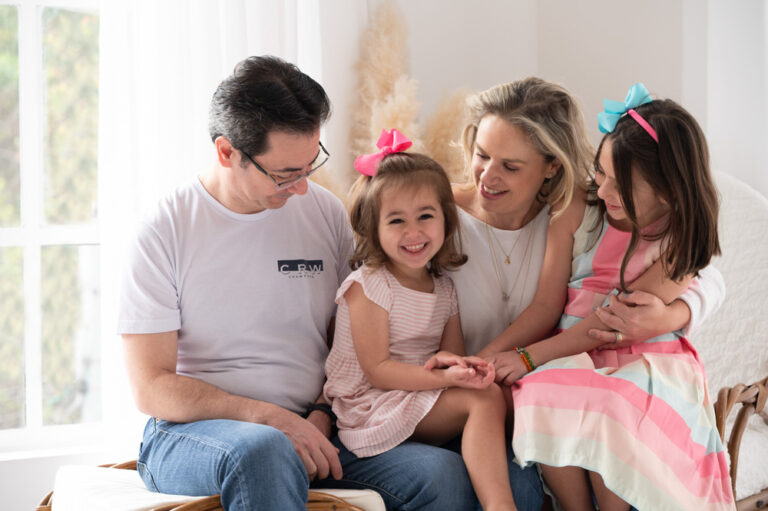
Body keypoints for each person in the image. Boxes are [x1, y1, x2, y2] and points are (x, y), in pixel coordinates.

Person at [118, 55, 537, 511]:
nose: (302, 188)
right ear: (227, 152)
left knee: (451, 474)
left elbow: (347, 341)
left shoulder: (322, 211)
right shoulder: (167, 228)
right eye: (284, 174)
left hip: (322, 423)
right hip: (197, 432)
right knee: (262, 450)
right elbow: (151, 387)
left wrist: (318, 413)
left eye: (310, 164)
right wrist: (265, 417)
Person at [505, 84, 734, 510]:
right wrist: (518, 359)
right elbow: (546, 304)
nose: (603, 190)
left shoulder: (679, 239)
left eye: (620, 184)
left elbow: (610, 327)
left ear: (667, 193)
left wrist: (527, 356)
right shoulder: (578, 209)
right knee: (539, 392)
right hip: (575, 352)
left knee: (614, 406)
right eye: (601, 172)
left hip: (647, 360)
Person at [449, 76, 724, 369]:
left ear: (552, 166)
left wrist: (678, 313)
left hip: (560, 367)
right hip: (492, 373)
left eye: (511, 166)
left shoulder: (570, 207)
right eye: (482, 154)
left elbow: (703, 274)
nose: (487, 177)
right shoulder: (435, 212)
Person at [323, 129, 518, 510]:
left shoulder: (443, 287)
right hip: (370, 405)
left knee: (496, 394)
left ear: (445, 219)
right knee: (483, 401)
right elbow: (378, 370)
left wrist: (462, 369)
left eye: (425, 216)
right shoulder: (369, 285)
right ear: (374, 229)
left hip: (417, 393)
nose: (414, 232)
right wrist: (445, 378)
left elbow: (451, 354)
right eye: (396, 221)